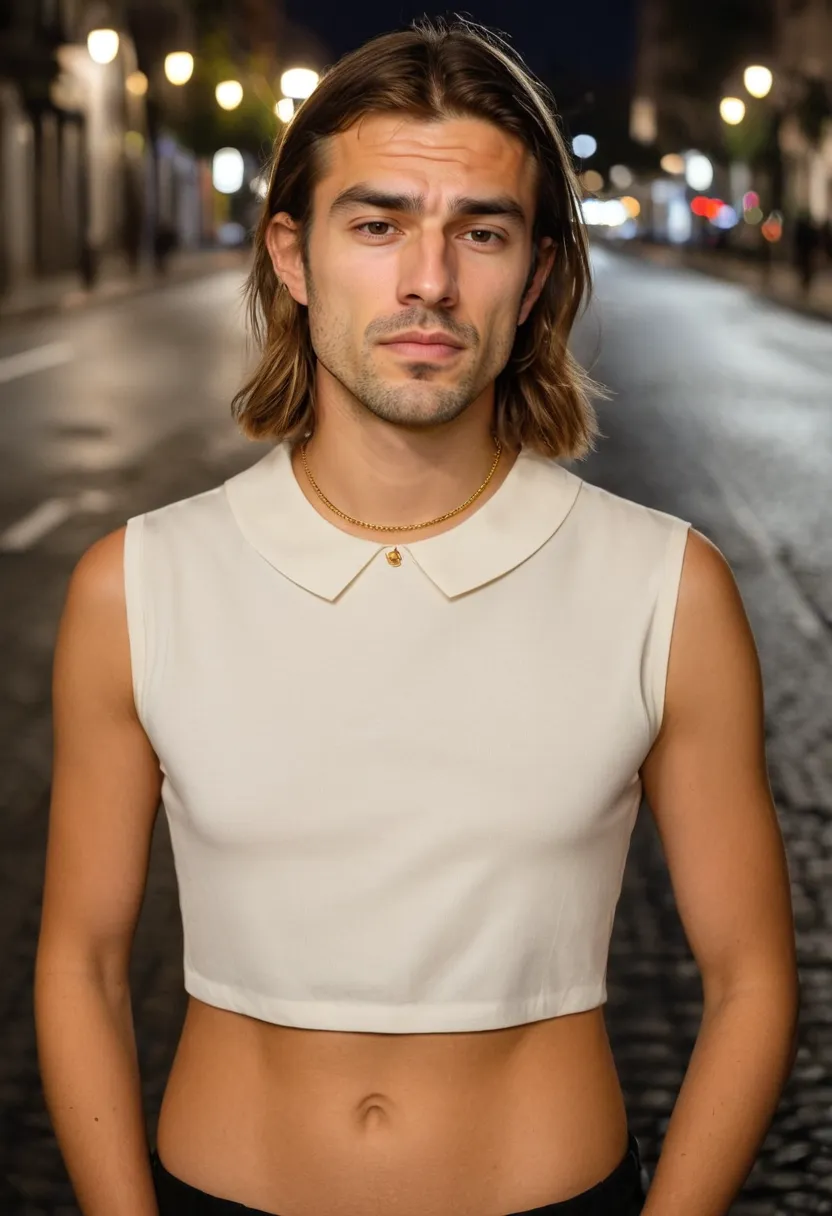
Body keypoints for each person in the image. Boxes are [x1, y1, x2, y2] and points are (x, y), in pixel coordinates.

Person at [34, 17, 800, 1216]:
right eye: (378, 223)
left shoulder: (665, 588)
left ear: (537, 270)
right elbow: (78, 959)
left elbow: (753, 976)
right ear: (292, 254)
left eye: (480, 232)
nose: (427, 282)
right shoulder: (134, 584)